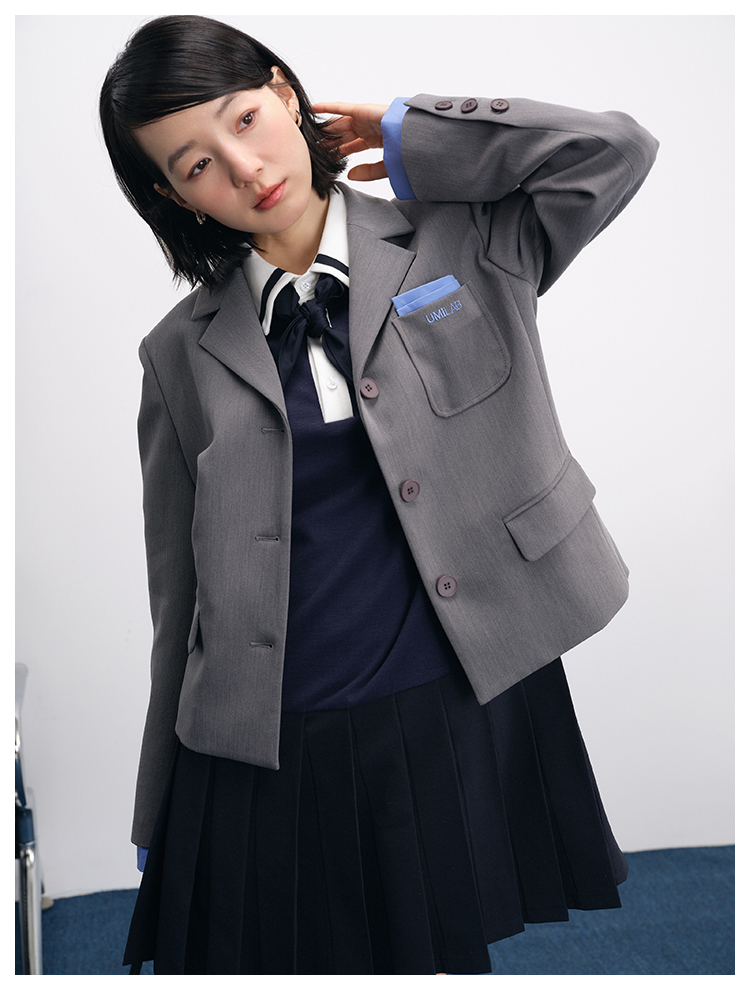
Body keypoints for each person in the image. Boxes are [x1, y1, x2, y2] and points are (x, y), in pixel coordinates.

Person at [99, 14, 658, 976]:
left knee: (436, 957)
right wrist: (158, 801)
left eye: (245, 119)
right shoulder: (176, 355)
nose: (244, 168)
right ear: (172, 195)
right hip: (273, 728)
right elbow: (178, 597)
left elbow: (613, 151)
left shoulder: (464, 236)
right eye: (196, 165)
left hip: (448, 696)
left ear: (285, 93)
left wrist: (414, 129)